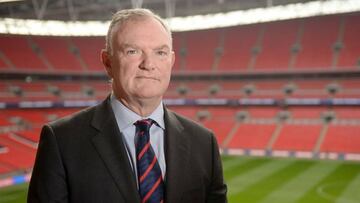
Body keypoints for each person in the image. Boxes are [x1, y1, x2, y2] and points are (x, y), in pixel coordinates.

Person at [27, 8, 227, 203]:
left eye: (160, 52)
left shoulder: (204, 142)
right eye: (133, 51)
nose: (149, 64)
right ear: (107, 62)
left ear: (172, 61)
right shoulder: (62, 141)